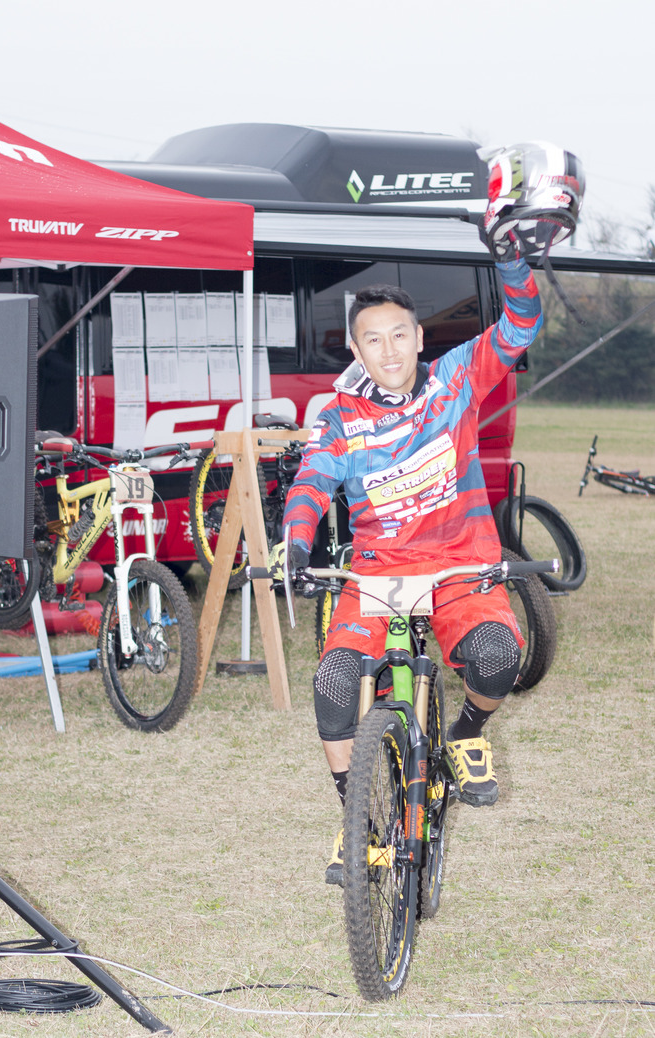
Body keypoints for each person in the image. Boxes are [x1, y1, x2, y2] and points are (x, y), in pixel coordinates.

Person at [269, 142, 582, 886]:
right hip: (378, 574)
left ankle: (468, 734)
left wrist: (509, 259)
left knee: (499, 660)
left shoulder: (453, 381)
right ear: (357, 348)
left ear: (419, 338)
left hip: (460, 563)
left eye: (399, 335)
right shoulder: (341, 417)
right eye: (371, 340)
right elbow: (313, 483)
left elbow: (519, 327)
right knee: (336, 685)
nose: (389, 350)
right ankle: (359, 821)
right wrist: (295, 541)